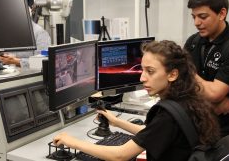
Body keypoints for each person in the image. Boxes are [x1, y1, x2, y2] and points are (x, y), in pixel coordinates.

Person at [53, 40, 220, 161]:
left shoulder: (167, 115)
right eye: (142, 70)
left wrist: (73, 142)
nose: (142, 77)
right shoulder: (186, 100)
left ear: (173, 74)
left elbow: (120, 155)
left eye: (150, 71)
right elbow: (151, 133)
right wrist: (117, 122)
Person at [184, 0, 229, 136]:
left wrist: (186, 70)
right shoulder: (192, 42)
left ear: (222, 13)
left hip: (226, 132)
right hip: (196, 127)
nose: (196, 22)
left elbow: (214, 93)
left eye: (202, 17)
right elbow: (178, 82)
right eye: (194, 17)